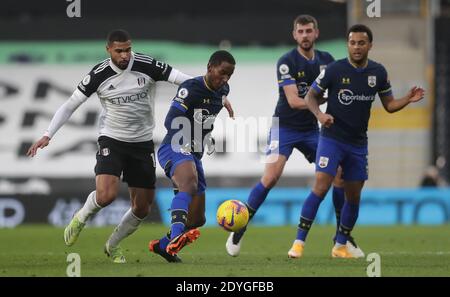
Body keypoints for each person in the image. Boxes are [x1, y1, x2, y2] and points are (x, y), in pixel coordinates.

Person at [26, 29, 234, 264]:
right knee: (106, 195)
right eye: (119, 51)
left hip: (142, 143)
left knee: (142, 208)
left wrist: (218, 95)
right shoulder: (99, 74)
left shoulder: (146, 65)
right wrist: (47, 134)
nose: (125, 55)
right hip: (112, 139)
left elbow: (184, 79)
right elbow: (70, 105)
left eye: (128, 50)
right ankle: (81, 217)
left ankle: (113, 245)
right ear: (108, 50)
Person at [225, 15, 364, 259]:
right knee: (271, 176)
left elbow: (339, 93)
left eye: (309, 31)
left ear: (316, 33)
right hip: (285, 127)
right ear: (294, 35)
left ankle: (342, 238)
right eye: (300, 32)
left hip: (311, 130)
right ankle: (241, 226)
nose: (305, 36)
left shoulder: (327, 62)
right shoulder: (286, 61)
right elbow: (292, 100)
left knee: (340, 174)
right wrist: (319, 107)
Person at [289, 24, 425, 258]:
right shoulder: (334, 69)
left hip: (358, 144)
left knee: (354, 196)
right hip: (332, 139)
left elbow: (389, 105)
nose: (357, 47)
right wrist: (320, 115)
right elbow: (311, 96)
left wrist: (408, 99)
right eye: (353, 43)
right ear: (348, 45)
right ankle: (299, 242)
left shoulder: (378, 73)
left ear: (370, 45)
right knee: (321, 186)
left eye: (361, 43)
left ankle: (341, 244)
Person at [148, 50, 235, 262]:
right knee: (189, 183)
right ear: (209, 67)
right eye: (222, 73)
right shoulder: (190, 89)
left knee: (197, 218)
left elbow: (218, 97)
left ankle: (162, 245)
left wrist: (225, 102)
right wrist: (188, 136)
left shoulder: (223, 88)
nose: (224, 78)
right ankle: (176, 236)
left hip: (195, 154)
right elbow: (170, 120)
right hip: (175, 146)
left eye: (229, 75)